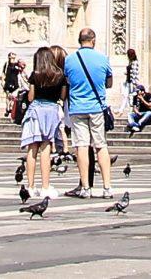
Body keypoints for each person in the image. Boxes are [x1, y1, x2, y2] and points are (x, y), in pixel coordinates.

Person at [59, 27, 116, 197]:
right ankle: (107, 187)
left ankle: (85, 188)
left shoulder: (69, 60)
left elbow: (68, 80)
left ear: (79, 41)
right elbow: (109, 83)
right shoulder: (103, 58)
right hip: (97, 108)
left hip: (77, 108)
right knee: (100, 145)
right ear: (93, 40)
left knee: (81, 146)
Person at [19, 43, 67, 200]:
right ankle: (45, 186)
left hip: (36, 110)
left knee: (32, 150)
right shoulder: (60, 75)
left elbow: (31, 97)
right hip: (51, 111)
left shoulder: (35, 74)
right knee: (46, 149)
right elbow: (62, 97)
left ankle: (31, 186)